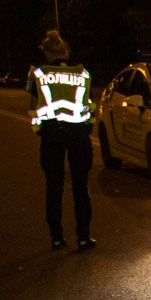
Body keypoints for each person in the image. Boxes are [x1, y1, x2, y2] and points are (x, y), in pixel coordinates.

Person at [27, 30, 96, 250]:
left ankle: (56, 237)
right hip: (78, 135)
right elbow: (90, 107)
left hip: (52, 134)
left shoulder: (38, 74)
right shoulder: (82, 74)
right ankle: (83, 237)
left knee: (54, 187)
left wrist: (39, 130)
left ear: (46, 52)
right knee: (80, 186)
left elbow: (33, 109)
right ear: (65, 51)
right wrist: (86, 128)